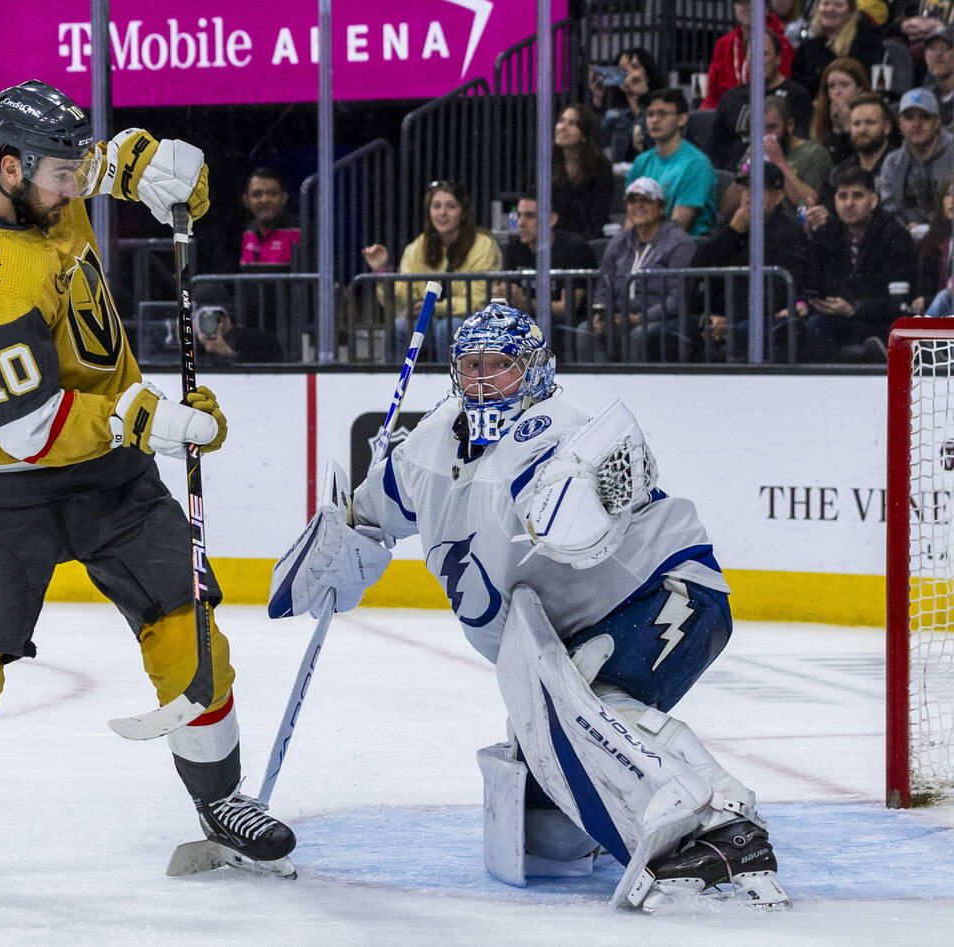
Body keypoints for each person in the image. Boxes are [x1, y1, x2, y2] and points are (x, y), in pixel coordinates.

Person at [0, 79, 296, 883]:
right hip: (3, 484)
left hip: (111, 476)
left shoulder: (39, 182)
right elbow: (26, 426)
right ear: (8, 170)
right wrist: (146, 419)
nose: (76, 186)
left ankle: (221, 801)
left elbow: (98, 168)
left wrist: (147, 165)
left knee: (189, 634)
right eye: (61, 176)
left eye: (75, 171)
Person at [268, 301, 790, 912]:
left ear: (536, 370)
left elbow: (580, 502)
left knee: (586, 705)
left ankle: (725, 825)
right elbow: (367, 517)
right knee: (546, 832)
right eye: (472, 366)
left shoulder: (561, 433)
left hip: (668, 593)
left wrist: (576, 496)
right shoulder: (428, 448)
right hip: (568, 636)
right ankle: (635, 819)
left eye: (503, 367)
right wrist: (336, 544)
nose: (485, 381)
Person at [361, 180, 502, 360]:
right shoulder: (416, 247)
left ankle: (452, 386)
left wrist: (433, 308)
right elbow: (401, 299)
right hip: (431, 321)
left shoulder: (483, 245)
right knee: (399, 327)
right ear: (429, 211)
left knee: (449, 328)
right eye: (436, 206)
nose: (442, 213)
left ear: (463, 213)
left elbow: (477, 302)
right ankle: (398, 384)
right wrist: (381, 271)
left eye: (451, 206)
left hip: (475, 323)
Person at [787, 164, 913, 361]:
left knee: (818, 327)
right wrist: (804, 303)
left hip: (875, 321)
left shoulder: (894, 235)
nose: (849, 203)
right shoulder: (825, 234)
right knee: (797, 327)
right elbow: (810, 281)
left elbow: (896, 300)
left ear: (873, 200)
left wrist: (854, 308)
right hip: (831, 318)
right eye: (843, 196)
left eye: (857, 196)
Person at [693, 163, 811, 361]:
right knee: (666, 333)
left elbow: (779, 291)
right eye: (746, 188)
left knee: (741, 333)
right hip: (716, 315)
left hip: (759, 320)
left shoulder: (789, 234)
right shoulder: (732, 222)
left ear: (778, 197)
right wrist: (732, 232)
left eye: (757, 189)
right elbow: (698, 267)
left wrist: (731, 320)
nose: (748, 195)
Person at [587, 177, 697, 362]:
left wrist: (640, 318)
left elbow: (677, 298)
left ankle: (634, 389)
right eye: (632, 201)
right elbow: (603, 286)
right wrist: (602, 314)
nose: (638, 206)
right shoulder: (618, 241)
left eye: (646, 200)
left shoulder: (679, 243)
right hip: (621, 318)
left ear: (661, 207)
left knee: (638, 333)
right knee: (586, 329)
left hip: (663, 320)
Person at [706, 27, 815, 170]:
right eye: (753, 55)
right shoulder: (731, 98)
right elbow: (714, 150)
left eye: (764, 54)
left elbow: (802, 149)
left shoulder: (797, 95)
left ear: (778, 58)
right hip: (734, 178)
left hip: (779, 175)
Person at [490, 190, 597, 332]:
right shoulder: (514, 248)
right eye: (519, 215)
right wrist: (500, 293)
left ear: (551, 220)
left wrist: (526, 303)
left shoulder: (575, 247)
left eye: (529, 216)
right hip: (526, 321)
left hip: (568, 326)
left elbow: (568, 307)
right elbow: (507, 294)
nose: (521, 223)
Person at [626, 88, 718, 236]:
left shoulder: (696, 164)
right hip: (644, 245)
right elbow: (631, 220)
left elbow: (676, 229)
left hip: (684, 250)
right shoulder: (640, 162)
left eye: (662, 114)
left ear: (681, 119)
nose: (655, 120)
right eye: (650, 114)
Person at [809, 92, 896, 226]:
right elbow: (828, 210)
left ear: (886, 127)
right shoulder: (838, 172)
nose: (862, 129)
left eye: (870, 122)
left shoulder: (900, 165)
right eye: (856, 123)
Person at [879, 87, 954, 233]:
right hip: (908, 240)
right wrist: (903, 229)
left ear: (937, 121)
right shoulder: (892, 162)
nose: (916, 124)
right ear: (900, 124)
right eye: (909, 117)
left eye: (924, 117)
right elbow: (889, 208)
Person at [700, 0, 796, 111]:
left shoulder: (782, 43)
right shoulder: (723, 44)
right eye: (741, 2)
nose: (746, 7)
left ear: (766, 8)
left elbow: (785, 86)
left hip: (769, 113)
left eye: (752, 2)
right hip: (728, 115)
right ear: (735, 8)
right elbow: (712, 94)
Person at [791, 0, 885, 98]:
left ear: (850, 12)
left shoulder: (867, 45)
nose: (830, 9)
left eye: (838, 5)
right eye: (825, 3)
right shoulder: (806, 48)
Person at [551, 105, 614, 239]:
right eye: (561, 121)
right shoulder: (547, 166)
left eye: (572, 123)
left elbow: (598, 216)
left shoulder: (601, 168)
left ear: (584, 136)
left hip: (588, 239)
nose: (562, 127)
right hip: (553, 240)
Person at [592, 47, 663, 163]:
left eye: (634, 67)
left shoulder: (662, 106)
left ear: (648, 74)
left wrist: (640, 98)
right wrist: (597, 102)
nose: (627, 72)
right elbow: (599, 146)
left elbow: (659, 147)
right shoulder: (613, 114)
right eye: (621, 69)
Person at [192, 284, 284, 365]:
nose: (208, 322)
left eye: (212, 316)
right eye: (198, 317)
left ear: (227, 317)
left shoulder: (256, 340)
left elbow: (270, 373)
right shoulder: (195, 344)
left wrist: (226, 353)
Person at [808, 58, 873, 166]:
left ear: (860, 89)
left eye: (844, 85)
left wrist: (847, 125)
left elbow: (860, 162)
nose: (837, 92)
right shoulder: (822, 118)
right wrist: (836, 129)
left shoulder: (872, 115)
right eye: (831, 86)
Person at [238, 167, 300, 268]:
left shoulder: (300, 230)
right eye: (257, 194)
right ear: (246, 200)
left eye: (272, 194)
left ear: (283, 198)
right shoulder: (245, 232)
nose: (264, 200)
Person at [911, 177, 954, 314]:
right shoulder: (930, 241)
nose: (952, 200)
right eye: (948, 194)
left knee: (943, 298)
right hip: (935, 313)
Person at [921, 25, 954, 123]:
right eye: (932, 48)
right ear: (925, 55)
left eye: (946, 48)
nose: (938, 54)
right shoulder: (925, 96)